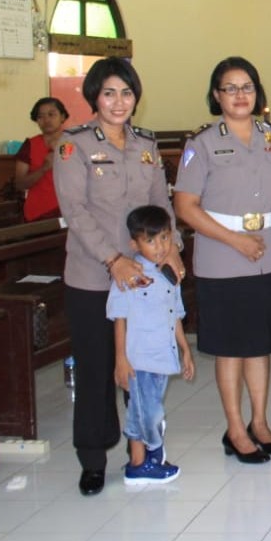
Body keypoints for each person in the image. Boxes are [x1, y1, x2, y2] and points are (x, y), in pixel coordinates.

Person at [54, 56, 184, 496]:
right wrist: (114, 260)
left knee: (142, 367)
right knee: (97, 370)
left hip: (144, 280)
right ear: (94, 97)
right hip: (93, 277)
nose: (118, 102)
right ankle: (92, 459)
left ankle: (143, 451)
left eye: (126, 93)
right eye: (109, 93)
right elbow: (76, 211)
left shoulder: (144, 145)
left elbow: (160, 204)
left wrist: (174, 251)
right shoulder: (73, 147)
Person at [173, 57, 271, 465]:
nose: (240, 95)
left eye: (247, 87)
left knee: (259, 346)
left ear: (258, 93)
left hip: (268, 255)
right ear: (216, 95)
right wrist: (235, 241)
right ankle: (235, 429)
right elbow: (185, 206)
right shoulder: (201, 144)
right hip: (222, 257)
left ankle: (259, 422)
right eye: (230, 87)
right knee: (230, 349)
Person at [108, 205, 194, 485]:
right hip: (140, 357)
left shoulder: (170, 274)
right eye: (151, 240)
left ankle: (142, 461)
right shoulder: (129, 274)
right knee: (148, 411)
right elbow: (119, 318)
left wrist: (185, 350)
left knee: (144, 408)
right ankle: (144, 460)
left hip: (163, 355)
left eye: (165, 238)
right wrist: (120, 358)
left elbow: (175, 315)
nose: (160, 247)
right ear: (135, 243)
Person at [14, 96, 68, 222]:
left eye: (51, 114)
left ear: (63, 117)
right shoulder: (30, 145)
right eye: (40, 116)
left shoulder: (75, 142)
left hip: (69, 211)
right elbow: (20, 184)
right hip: (38, 213)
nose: (46, 120)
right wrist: (44, 168)